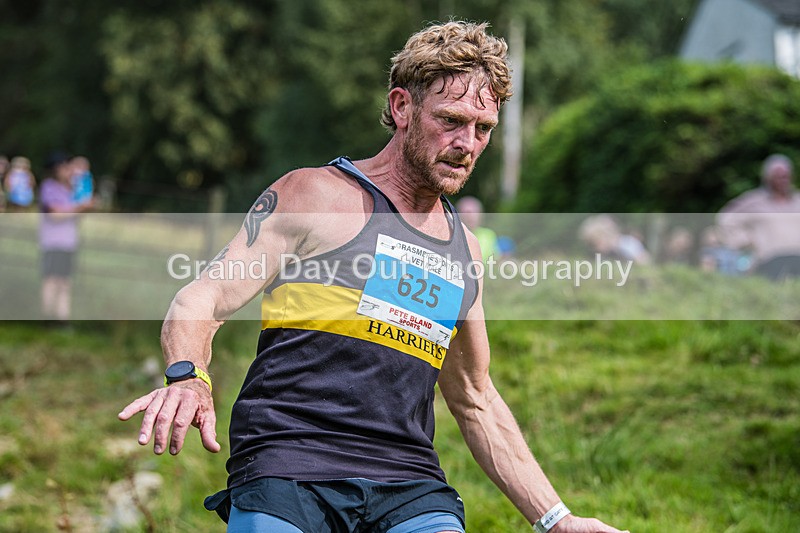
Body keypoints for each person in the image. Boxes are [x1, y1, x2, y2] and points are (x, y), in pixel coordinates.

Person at [119, 21, 628, 533]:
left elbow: (474, 396)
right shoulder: (317, 196)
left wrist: (558, 520)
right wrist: (189, 377)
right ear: (403, 107)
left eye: (483, 128)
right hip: (290, 465)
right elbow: (206, 295)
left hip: (406, 482)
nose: (466, 143)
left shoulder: (464, 251)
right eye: (450, 120)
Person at [717, 154, 800, 280]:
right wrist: (745, 240)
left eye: (786, 176)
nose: (783, 180)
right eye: (778, 176)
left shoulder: (797, 200)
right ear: (768, 178)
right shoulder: (754, 201)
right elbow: (725, 219)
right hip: (769, 262)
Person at [38, 151, 94, 324]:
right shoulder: (48, 187)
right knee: (51, 281)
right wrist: (79, 208)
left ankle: (62, 320)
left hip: (69, 242)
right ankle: (47, 319)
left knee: (64, 283)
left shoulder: (70, 190)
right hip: (53, 242)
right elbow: (55, 214)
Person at [455, 195, 500, 261]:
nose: (471, 217)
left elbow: (496, 260)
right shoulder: (452, 234)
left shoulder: (489, 234)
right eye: (467, 213)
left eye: (475, 212)